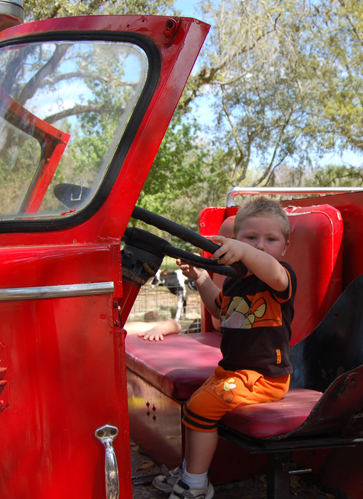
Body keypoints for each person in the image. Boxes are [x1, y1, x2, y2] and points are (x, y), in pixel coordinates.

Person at [154, 197, 296, 499]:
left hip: (264, 377)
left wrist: (245, 251)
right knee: (193, 405)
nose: (260, 246)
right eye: (250, 238)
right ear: (235, 240)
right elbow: (220, 310)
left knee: (200, 407)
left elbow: (271, 270)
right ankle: (190, 468)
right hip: (231, 371)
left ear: (284, 248)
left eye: (270, 239)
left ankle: (195, 485)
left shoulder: (279, 278)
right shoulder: (235, 281)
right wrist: (203, 278)